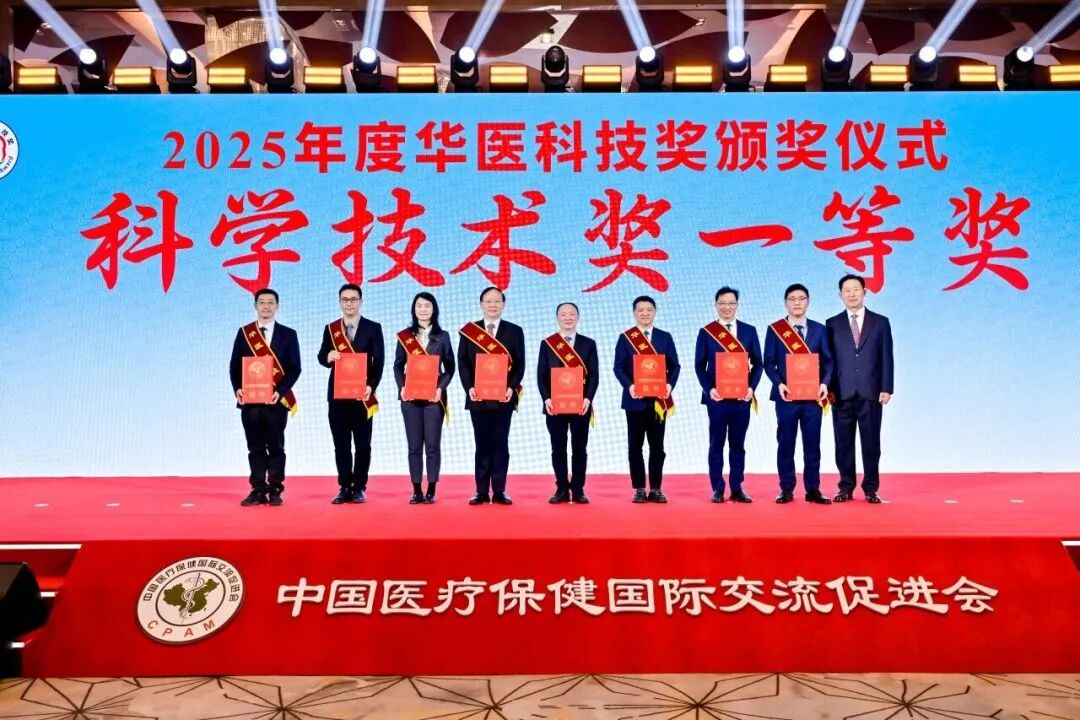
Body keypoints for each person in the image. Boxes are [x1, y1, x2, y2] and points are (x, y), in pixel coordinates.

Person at [229, 288, 301, 507]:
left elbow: (295, 368)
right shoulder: (245, 333)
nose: (266, 306)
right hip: (251, 402)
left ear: (278, 306)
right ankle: (258, 489)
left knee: (276, 447)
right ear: (255, 306)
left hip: (275, 401)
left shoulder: (288, 334)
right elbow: (234, 366)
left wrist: (280, 391)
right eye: (262, 302)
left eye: (271, 302)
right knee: (255, 447)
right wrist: (237, 389)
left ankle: (276, 489)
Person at [763, 283, 834, 505]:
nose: (797, 303)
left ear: (808, 302)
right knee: (786, 444)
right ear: (785, 303)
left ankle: (813, 489)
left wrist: (824, 383)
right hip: (787, 397)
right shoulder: (775, 329)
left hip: (813, 398)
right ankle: (786, 489)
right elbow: (769, 363)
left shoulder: (820, 329)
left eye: (801, 298)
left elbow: (829, 361)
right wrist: (778, 384)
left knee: (812, 445)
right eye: (792, 299)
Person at [827, 274, 894, 504]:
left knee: (871, 443)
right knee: (843, 443)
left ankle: (871, 488)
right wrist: (829, 388)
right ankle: (845, 486)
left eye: (856, 289)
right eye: (847, 290)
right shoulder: (832, 324)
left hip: (871, 392)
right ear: (840, 295)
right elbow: (829, 360)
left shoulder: (880, 322)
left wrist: (886, 387)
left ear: (865, 292)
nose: (852, 294)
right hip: (841, 393)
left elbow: (887, 356)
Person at [457, 287, 526, 506]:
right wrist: (469, 387)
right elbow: (463, 362)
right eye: (488, 301)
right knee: (482, 445)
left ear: (503, 304)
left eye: (497, 301)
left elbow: (520, 364)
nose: (493, 305)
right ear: (481, 304)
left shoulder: (514, 331)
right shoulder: (470, 331)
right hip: (477, 397)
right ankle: (480, 491)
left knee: (500, 444)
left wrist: (511, 388)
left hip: (503, 397)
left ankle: (499, 491)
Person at [317, 283, 384, 505]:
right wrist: (328, 356)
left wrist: (371, 386)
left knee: (363, 444)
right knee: (341, 444)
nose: (349, 303)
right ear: (339, 302)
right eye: (345, 299)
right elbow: (321, 356)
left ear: (360, 302)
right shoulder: (331, 329)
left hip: (362, 396)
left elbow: (379, 361)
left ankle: (360, 487)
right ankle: (345, 486)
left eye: (353, 299)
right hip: (337, 396)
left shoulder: (373, 328)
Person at [694, 287, 763, 503]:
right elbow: (699, 365)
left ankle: (737, 487)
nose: (727, 307)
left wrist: (751, 388)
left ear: (737, 305)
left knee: (738, 445)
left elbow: (758, 363)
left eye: (731, 303)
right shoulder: (707, 332)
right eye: (722, 303)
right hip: (717, 399)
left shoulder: (749, 331)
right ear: (716, 305)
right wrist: (709, 389)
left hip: (742, 399)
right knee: (716, 444)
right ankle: (717, 488)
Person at [613, 295, 680, 503]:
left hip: (659, 401)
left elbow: (675, 366)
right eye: (640, 310)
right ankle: (640, 488)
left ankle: (657, 488)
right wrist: (630, 386)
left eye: (649, 309)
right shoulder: (626, 338)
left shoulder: (664, 337)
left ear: (655, 312)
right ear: (634, 313)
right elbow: (618, 367)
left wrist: (668, 386)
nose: (645, 313)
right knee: (635, 446)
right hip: (635, 401)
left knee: (657, 447)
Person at [393, 292, 455, 504]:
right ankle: (417, 490)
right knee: (414, 446)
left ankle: (432, 489)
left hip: (433, 398)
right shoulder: (405, 337)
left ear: (434, 309)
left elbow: (450, 367)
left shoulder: (443, 336)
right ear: (414, 309)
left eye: (427, 305)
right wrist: (402, 387)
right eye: (419, 305)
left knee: (432, 445)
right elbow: (398, 365)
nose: (423, 309)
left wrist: (440, 388)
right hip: (410, 398)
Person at [537, 302, 600, 504]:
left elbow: (594, 375)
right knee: (558, 448)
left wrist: (588, 399)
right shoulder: (548, 344)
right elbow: (541, 375)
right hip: (554, 406)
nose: (568, 317)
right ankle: (562, 489)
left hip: (580, 405)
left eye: (572, 314)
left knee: (579, 449)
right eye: (563, 314)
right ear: (557, 318)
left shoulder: (588, 344)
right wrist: (546, 398)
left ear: (578, 317)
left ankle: (578, 489)